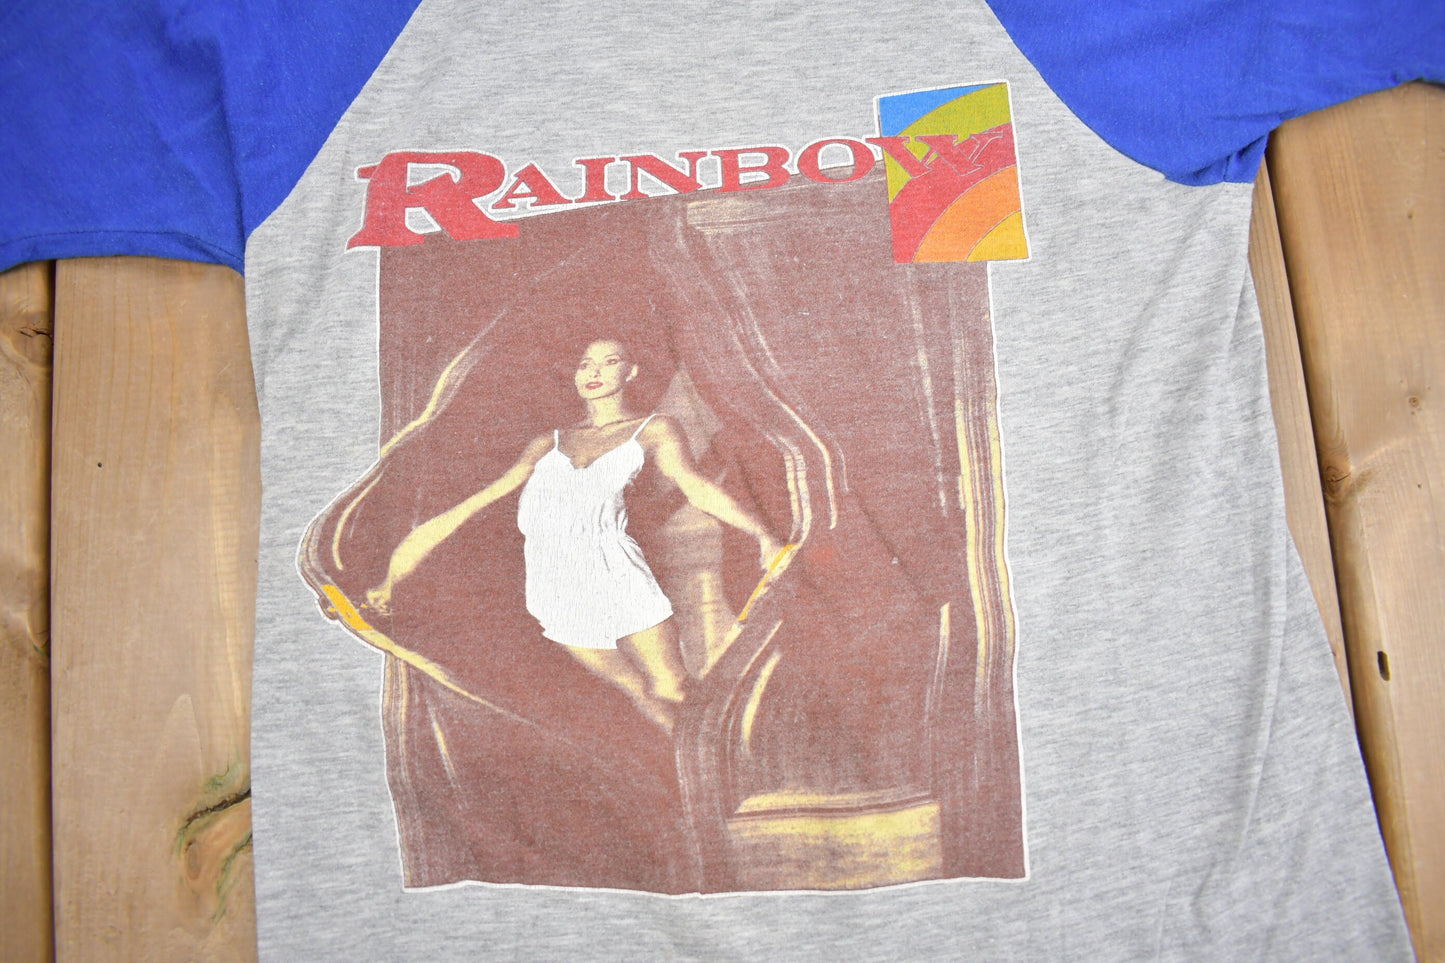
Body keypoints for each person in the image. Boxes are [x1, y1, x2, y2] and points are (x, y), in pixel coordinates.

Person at [366, 337, 785, 728]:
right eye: (585, 364)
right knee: (636, 691)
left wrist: (762, 535)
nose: (594, 372)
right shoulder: (546, 444)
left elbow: (696, 487)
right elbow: (466, 509)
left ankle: (727, 758)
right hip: (554, 584)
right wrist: (388, 582)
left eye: (610, 361)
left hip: (617, 571)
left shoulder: (654, 429)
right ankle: (706, 771)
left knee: (671, 687)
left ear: (631, 373)